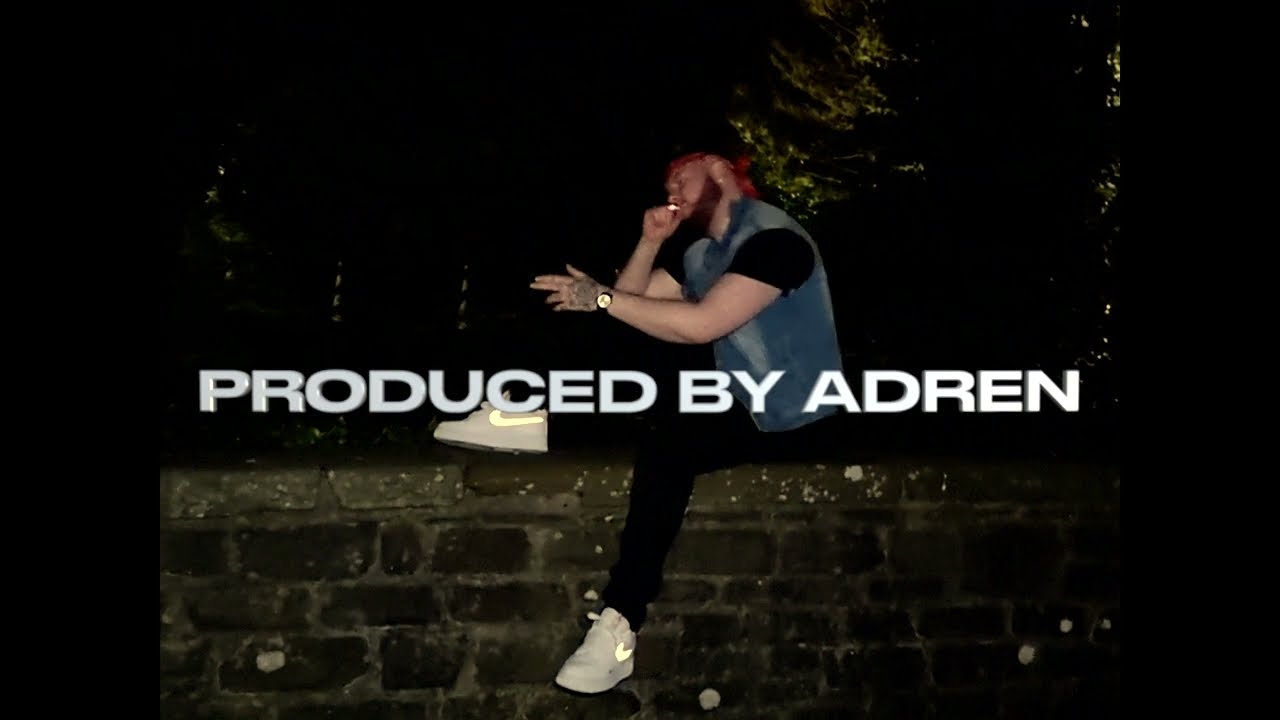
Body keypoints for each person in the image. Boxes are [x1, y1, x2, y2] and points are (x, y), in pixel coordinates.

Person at [530, 151, 845, 694]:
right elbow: (630, 304)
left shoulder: (776, 241)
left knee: (671, 440)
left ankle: (620, 626)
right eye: (668, 182)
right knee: (625, 329)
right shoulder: (704, 253)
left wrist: (602, 297)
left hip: (801, 414)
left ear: (721, 172)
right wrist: (648, 243)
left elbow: (702, 325)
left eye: (682, 176)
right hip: (743, 403)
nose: (671, 188)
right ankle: (536, 417)